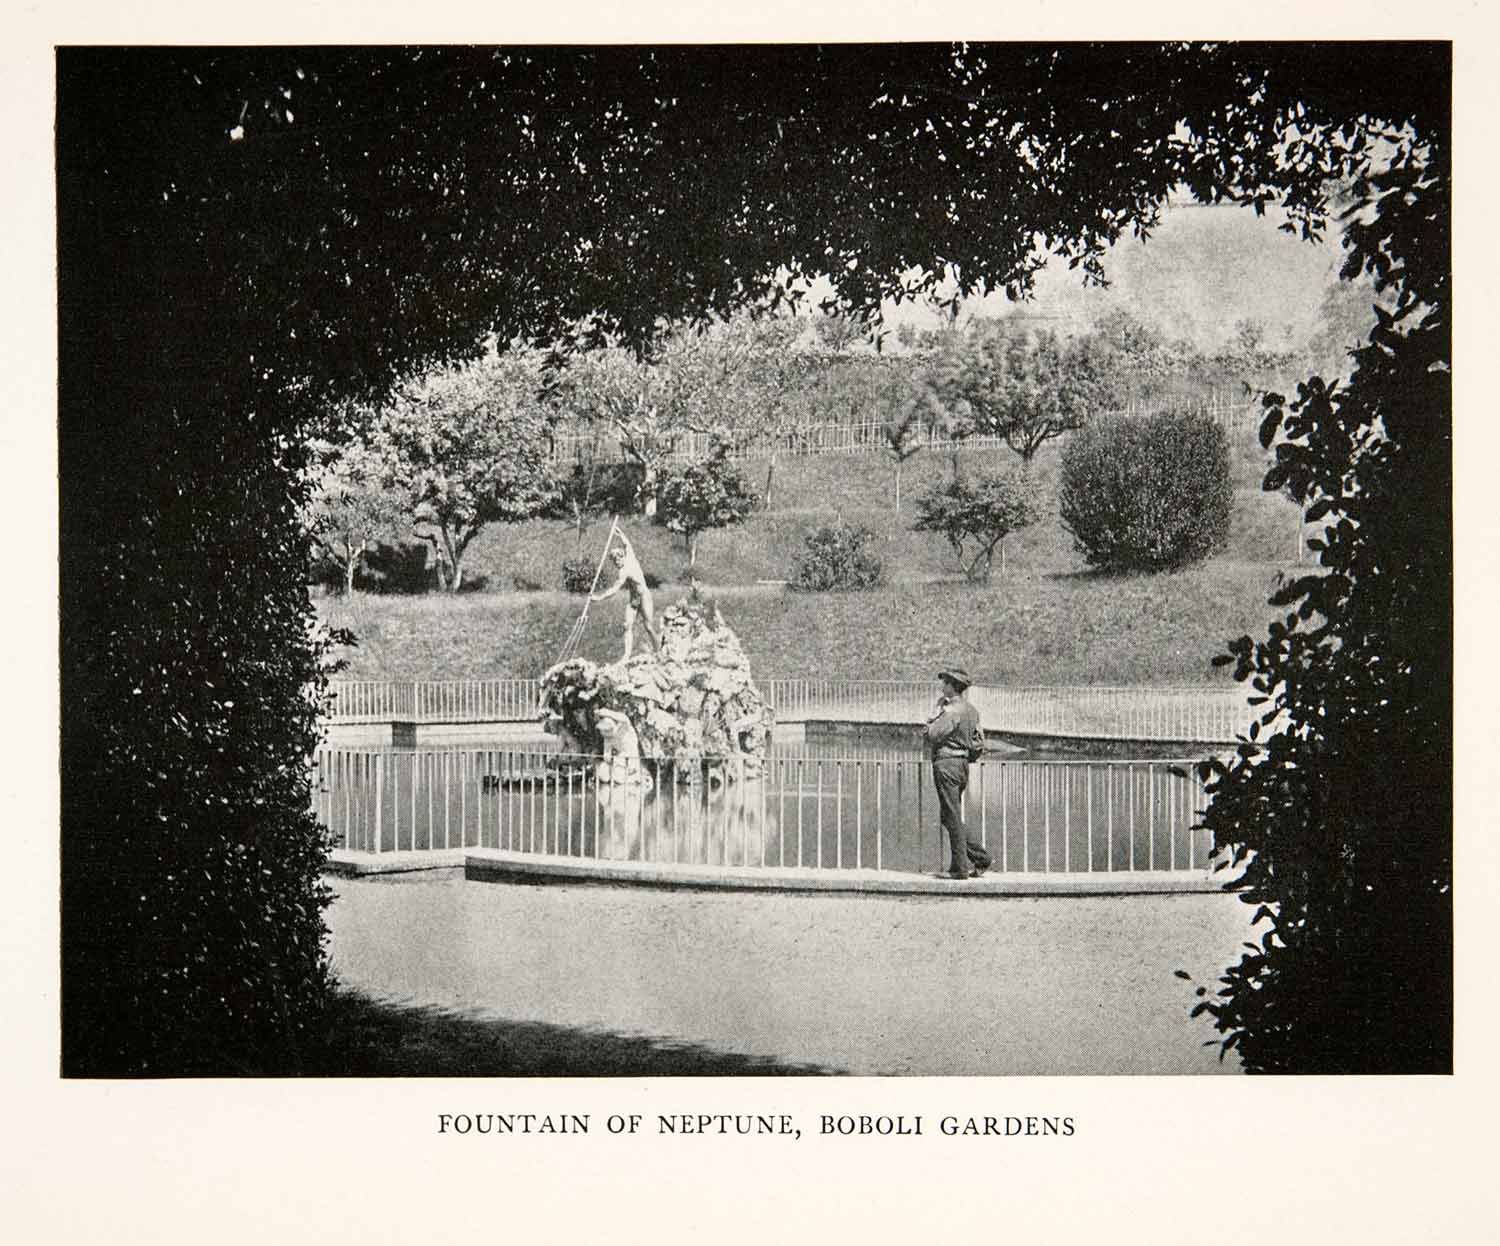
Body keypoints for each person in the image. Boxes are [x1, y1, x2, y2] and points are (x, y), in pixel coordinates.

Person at [924, 666, 991, 880]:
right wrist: (966, 757)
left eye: (945, 682)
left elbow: (933, 735)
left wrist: (933, 717)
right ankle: (967, 861)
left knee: (950, 816)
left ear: (953, 686)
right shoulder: (972, 711)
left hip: (946, 764)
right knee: (949, 816)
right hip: (962, 766)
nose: (942, 686)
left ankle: (965, 867)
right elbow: (979, 743)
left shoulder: (951, 711)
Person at [590, 530, 657, 659]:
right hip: (634, 599)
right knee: (627, 625)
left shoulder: (629, 562)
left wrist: (619, 532)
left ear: (621, 557)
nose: (616, 564)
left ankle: (657, 650)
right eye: (614, 562)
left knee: (648, 626)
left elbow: (626, 543)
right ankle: (626, 656)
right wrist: (599, 598)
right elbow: (614, 589)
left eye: (617, 561)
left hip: (644, 596)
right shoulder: (622, 570)